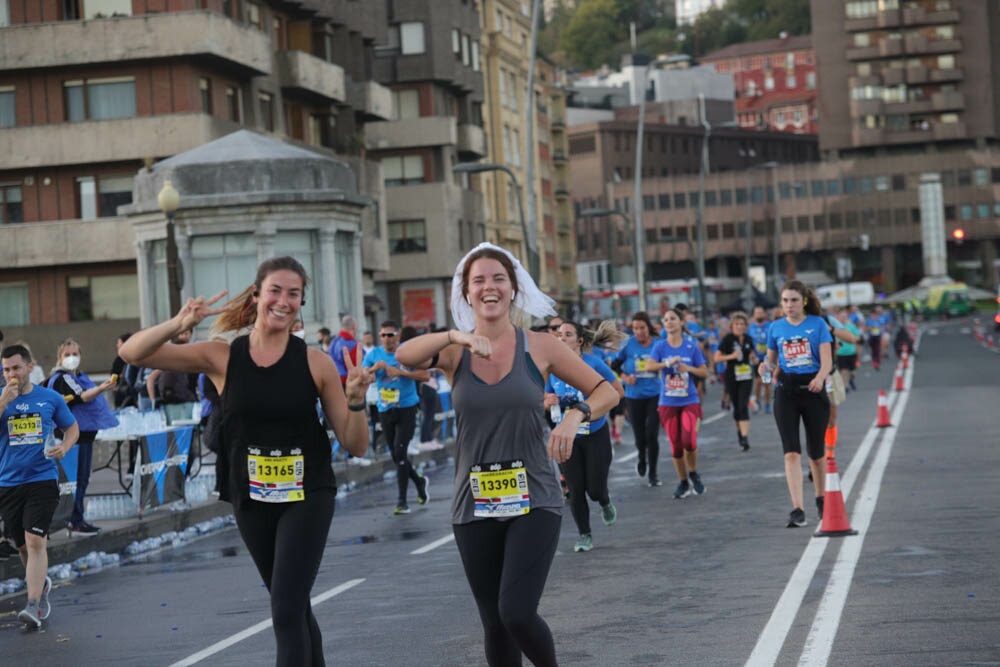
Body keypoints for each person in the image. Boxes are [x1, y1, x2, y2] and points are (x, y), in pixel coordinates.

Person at [120, 256, 371, 666]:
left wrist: (357, 401)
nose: (283, 301)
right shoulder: (222, 357)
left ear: (300, 303)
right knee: (293, 605)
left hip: (307, 494)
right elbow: (134, 354)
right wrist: (178, 323)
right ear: (256, 296)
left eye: (294, 294)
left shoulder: (316, 363)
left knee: (286, 609)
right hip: (250, 497)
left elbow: (355, 444)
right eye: (275, 290)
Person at [395, 242, 619, 667]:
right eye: (478, 280)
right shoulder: (453, 351)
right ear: (466, 292)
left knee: (515, 611)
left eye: (498, 279)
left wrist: (575, 417)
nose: (489, 287)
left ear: (513, 288)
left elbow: (607, 390)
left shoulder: (540, 346)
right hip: (473, 502)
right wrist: (454, 335)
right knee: (494, 623)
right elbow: (404, 355)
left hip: (534, 496)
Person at [1, 344, 80, 628]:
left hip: (42, 479)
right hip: (7, 482)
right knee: (21, 544)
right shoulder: (0, 398)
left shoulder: (50, 398)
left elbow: (72, 428)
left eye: (16, 368)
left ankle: (33, 605)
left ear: (29, 367)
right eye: (6, 369)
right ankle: (41, 583)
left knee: (36, 541)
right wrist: (2, 403)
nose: (11, 374)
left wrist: (65, 446)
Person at [758, 280, 833, 528]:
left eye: (793, 300)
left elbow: (826, 362)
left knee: (816, 452)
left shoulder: (818, 324)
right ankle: (797, 508)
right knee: (791, 452)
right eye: (785, 301)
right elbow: (771, 362)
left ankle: (821, 498)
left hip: (813, 390)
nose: (789, 305)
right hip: (786, 392)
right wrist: (764, 367)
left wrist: (820, 379)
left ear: (804, 301)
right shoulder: (775, 328)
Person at [545, 320, 624, 553]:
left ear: (579, 341)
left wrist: (590, 409)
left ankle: (604, 501)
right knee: (575, 489)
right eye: (558, 335)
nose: (561, 339)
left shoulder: (594, 364)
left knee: (595, 489)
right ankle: (584, 535)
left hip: (594, 433)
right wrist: (547, 402)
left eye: (567, 334)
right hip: (567, 437)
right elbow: (545, 399)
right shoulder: (553, 369)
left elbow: (617, 393)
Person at [46, 338, 118, 534]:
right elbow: (82, 397)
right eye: (67, 354)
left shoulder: (80, 376)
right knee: (76, 478)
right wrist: (102, 388)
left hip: (84, 434)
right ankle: (73, 519)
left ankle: (76, 517)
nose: (72, 358)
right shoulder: (62, 378)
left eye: (75, 354)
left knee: (82, 478)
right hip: (72, 436)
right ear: (59, 358)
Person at [362, 320, 430, 515]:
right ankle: (419, 481)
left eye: (390, 335)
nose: (386, 339)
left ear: (398, 337)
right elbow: (364, 373)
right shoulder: (374, 354)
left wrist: (399, 372)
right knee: (395, 455)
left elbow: (425, 375)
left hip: (407, 407)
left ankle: (402, 501)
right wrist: (375, 368)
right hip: (385, 408)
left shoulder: (407, 352)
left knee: (400, 452)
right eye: (383, 335)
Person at [647, 308, 710, 499]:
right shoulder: (660, 347)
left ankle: (693, 473)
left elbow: (704, 372)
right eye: (665, 319)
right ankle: (683, 482)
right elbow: (649, 366)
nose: (669, 322)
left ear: (681, 322)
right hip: (668, 402)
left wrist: (688, 367)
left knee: (689, 441)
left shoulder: (691, 346)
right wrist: (666, 364)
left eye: (673, 318)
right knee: (675, 445)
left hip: (689, 399)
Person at [612, 312, 663, 486]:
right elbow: (615, 365)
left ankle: (653, 474)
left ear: (648, 328)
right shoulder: (628, 345)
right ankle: (642, 456)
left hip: (655, 394)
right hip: (634, 396)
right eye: (635, 328)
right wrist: (625, 378)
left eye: (642, 328)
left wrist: (660, 369)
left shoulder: (658, 345)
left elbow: (665, 364)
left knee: (652, 434)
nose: (639, 331)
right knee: (640, 436)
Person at [714, 311, 758, 451]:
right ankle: (740, 433)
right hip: (732, 377)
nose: (739, 326)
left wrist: (755, 359)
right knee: (737, 408)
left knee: (743, 404)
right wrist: (731, 356)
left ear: (746, 326)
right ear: (732, 325)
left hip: (746, 376)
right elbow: (717, 358)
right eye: (737, 324)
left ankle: (745, 438)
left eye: (742, 324)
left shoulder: (749, 339)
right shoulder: (727, 340)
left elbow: (751, 354)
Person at [748, 306, 772, 414]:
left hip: (767, 359)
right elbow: (748, 344)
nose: (759, 314)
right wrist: (753, 356)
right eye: (756, 312)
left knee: (766, 382)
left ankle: (767, 403)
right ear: (753, 315)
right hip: (756, 359)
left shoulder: (770, 326)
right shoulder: (750, 328)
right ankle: (757, 402)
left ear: (764, 314)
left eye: (761, 312)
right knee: (758, 382)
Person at [329, 315, 360, 386]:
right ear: (354, 326)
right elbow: (356, 366)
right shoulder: (352, 344)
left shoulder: (334, 341)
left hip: (334, 378)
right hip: (348, 381)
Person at [835, 308, 861, 391]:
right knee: (843, 371)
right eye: (841, 316)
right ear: (838, 317)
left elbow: (858, 337)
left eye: (845, 316)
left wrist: (852, 339)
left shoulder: (851, 326)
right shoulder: (836, 327)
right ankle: (845, 386)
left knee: (853, 372)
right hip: (841, 353)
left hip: (851, 352)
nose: (843, 318)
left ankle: (851, 380)